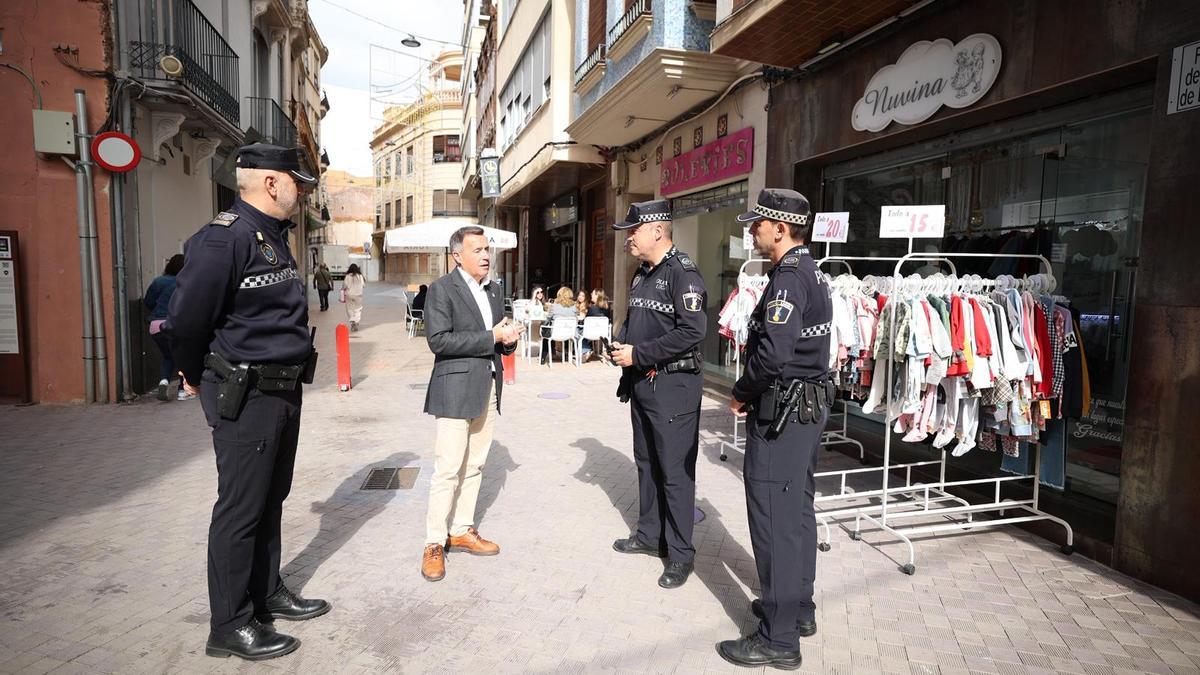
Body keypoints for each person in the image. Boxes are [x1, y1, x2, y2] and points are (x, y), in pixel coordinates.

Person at [165, 143, 329, 661]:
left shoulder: (273, 235)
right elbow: (185, 322)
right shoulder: (223, 240)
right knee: (240, 508)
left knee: (270, 498)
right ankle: (231, 624)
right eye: (296, 182)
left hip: (281, 389)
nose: (302, 191)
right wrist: (193, 374)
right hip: (247, 393)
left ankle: (266, 593)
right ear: (272, 183)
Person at [717, 189, 833, 670]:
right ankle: (796, 607)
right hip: (803, 412)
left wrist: (742, 391)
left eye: (757, 225)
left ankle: (779, 638)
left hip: (783, 414)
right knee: (797, 512)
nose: (752, 232)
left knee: (774, 520)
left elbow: (772, 356)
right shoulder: (813, 272)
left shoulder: (787, 281)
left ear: (780, 229)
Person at [609, 199, 707, 589]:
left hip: (674, 388)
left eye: (633, 231)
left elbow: (692, 331)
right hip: (642, 384)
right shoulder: (641, 273)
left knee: (675, 473)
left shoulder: (684, 274)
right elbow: (637, 322)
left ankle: (681, 554)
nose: (628, 238)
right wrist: (622, 346)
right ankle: (650, 536)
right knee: (647, 463)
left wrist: (640, 353)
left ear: (656, 230)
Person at [420, 226, 523, 582]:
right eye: (477, 249)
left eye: (487, 249)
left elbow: (495, 341)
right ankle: (434, 543)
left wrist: (507, 341)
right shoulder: (441, 290)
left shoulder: (493, 290)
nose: (485, 255)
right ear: (457, 255)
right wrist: (491, 336)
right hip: (454, 390)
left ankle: (462, 529)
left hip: (487, 388)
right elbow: (439, 341)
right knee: (447, 469)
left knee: (475, 465)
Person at [144, 254, 186, 401]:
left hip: (155, 325)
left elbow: (148, 301)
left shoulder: (158, 281)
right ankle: (182, 390)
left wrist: (157, 311)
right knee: (183, 357)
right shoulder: (184, 283)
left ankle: (164, 381)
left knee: (168, 356)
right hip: (174, 324)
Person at [342, 264, 365, 331]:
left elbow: (344, 286)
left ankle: (352, 322)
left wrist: (344, 289)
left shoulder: (347, 276)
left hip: (349, 295)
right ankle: (356, 321)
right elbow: (363, 285)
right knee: (358, 309)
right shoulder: (360, 276)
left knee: (350, 309)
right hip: (358, 295)